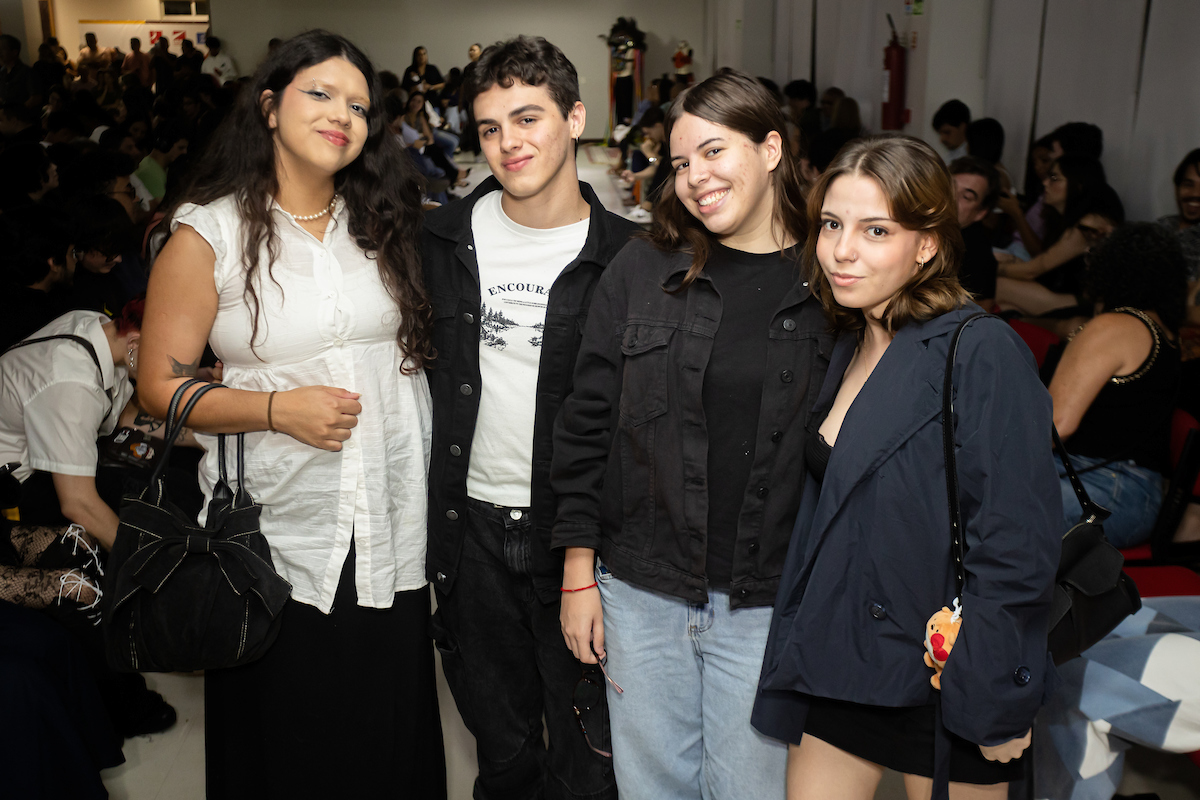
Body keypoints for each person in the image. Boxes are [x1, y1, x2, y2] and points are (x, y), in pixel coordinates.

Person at [136, 29, 445, 798]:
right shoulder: (208, 235)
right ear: (270, 107)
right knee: (296, 740)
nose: (342, 114)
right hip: (281, 532)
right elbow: (158, 389)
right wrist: (277, 410)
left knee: (387, 730)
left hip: (390, 518)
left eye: (360, 106)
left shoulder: (381, 222)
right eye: (320, 94)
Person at [752, 134, 1060, 800]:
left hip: (943, 673)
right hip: (841, 662)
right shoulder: (847, 337)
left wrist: (996, 694)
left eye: (875, 230)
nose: (842, 250)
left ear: (926, 244)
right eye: (832, 224)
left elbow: (1017, 546)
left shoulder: (980, 352)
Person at [553, 68, 828, 800]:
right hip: (642, 591)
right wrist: (579, 570)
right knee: (652, 790)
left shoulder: (830, 282)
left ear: (771, 148)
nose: (696, 178)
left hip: (765, 603)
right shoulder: (643, 270)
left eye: (713, 152)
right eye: (680, 163)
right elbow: (585, 424)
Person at [423, 35, 635, 800]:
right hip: (470, 530)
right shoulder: (442, 243)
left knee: (591, 757)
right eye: (488, 127)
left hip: (579, 540)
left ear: (575, 118)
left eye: (528, 118)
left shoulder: (630, 261)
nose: (508, 143)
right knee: (502, 749)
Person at [1047, 223, 1185, 548]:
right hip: (1135, 494)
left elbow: (1055, 428)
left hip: (1104, 487)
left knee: (968, 504)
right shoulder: (1165, 332)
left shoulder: (1114, 326)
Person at [948, 156, 999, 305]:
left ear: (980, 213)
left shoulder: (976, 254)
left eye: (966, 196)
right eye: (950, 187)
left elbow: (981, 311)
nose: (952, 197)